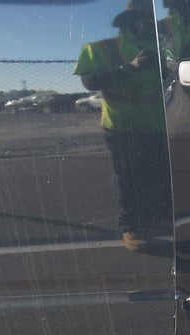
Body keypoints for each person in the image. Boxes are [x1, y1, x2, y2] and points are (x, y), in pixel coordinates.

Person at [74, 0, 171, 251]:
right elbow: (91, 82)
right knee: (130, 177)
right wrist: (131, 68)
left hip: (162, 124)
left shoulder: (165, 47)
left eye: (151, 18)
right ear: (128, 23)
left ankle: (162, 220)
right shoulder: (103, 48)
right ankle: (132, 227)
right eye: (143, 18)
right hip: (123, 126)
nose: (149, 23)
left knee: (162, 175)